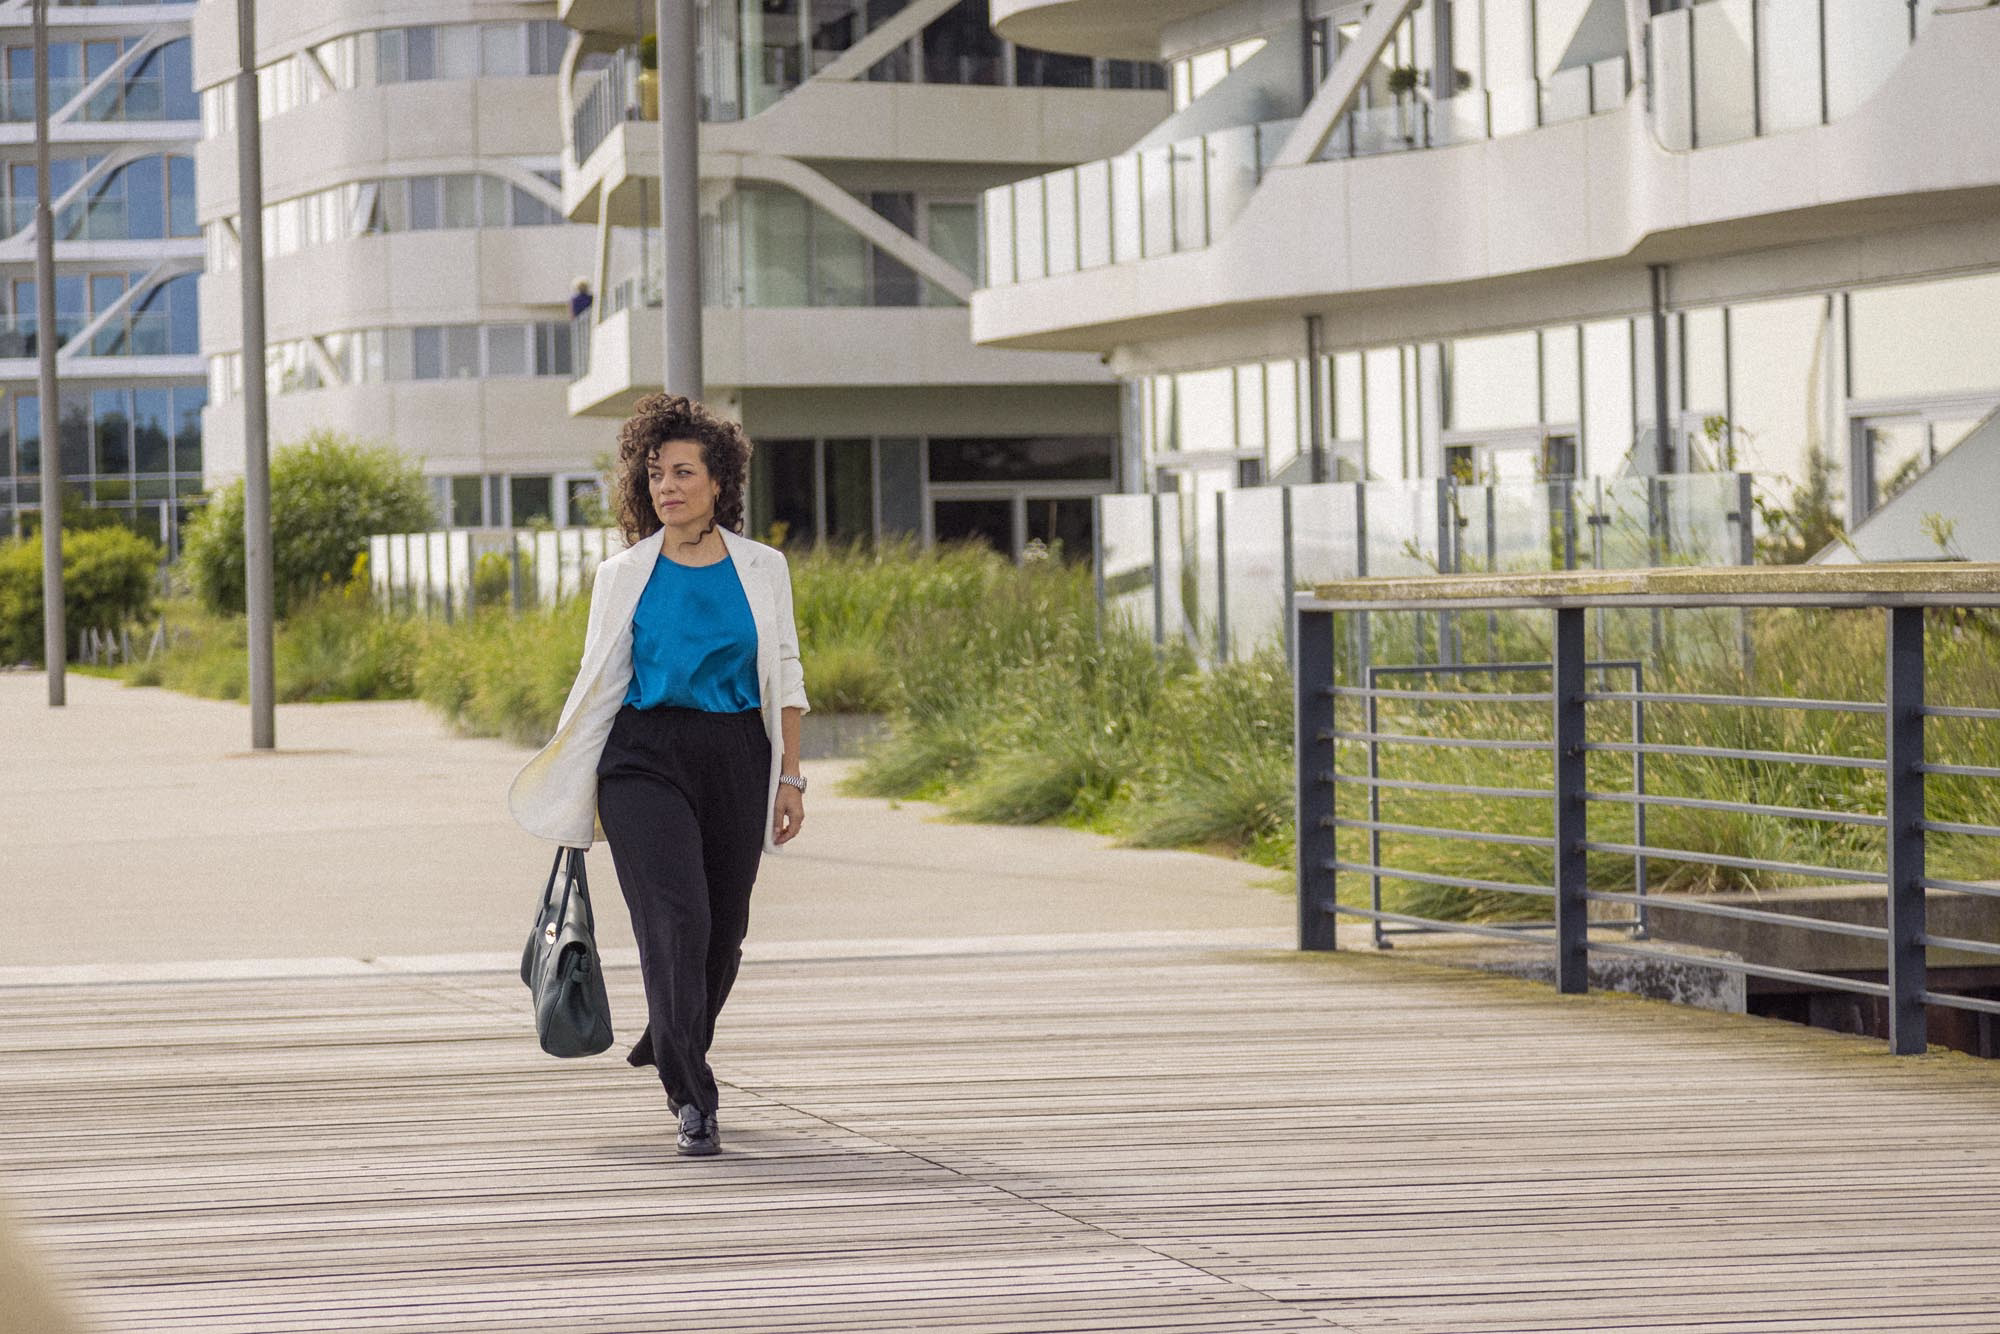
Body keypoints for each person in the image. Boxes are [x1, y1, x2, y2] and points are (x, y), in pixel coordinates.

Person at [508, 393, 809, 1156]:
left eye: (683, 473)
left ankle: (672, 1030)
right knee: (678, 918)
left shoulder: (761, 568)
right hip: (642, 758)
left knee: (724, 933)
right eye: (655, 475)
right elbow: (597, 680)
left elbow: (785, 671)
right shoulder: (624, 573)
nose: (666, 488)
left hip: (737, 753)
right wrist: (574, 783)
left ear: (719, 482)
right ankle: (691, 1094)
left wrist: (791, 777)